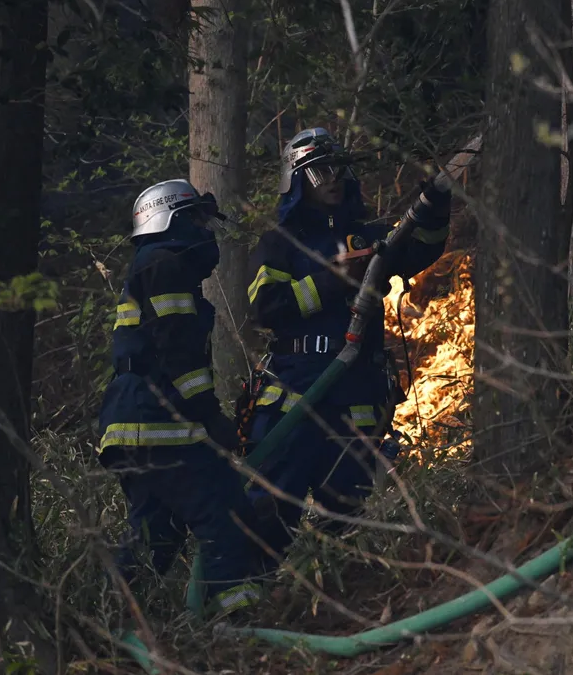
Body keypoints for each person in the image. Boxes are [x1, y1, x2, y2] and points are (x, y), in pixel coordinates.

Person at [244, 127, 451, 563]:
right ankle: (258, 601)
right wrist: (332, 280)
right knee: (270, 511)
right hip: (297, 397)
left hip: (357, 396)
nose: (332, 179)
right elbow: (266, 309)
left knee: (350, 516)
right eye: (319, 173)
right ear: (297, 181)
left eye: (336, 169)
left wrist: (434, 211)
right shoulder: (280, 244)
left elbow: (421, 252)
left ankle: (342, 596)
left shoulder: (369, 236)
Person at [97, 179, 267, 617]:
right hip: (159, 422)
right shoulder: (163, 264)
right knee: (224, 510)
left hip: (136, 423)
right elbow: (177, 349)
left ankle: (106, 626)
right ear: (172, 219)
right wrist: (210, 417)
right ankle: (237, 621)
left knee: (155, 533)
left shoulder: (154, 265)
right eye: (196, 219)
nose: (204, 230)